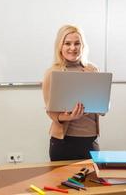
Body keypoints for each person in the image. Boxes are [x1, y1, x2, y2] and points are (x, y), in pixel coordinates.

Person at [42, 25, 102, 161]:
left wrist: (104, 105)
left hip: (90, 140)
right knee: (61, 182)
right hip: (64, 143)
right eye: (67, 43)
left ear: (83, 46)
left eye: (77, 43)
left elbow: (102, 103)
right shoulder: (52, 73)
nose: (73, 48)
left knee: (92, 182)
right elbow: (51, 112)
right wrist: (70, 117)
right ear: (60, 46)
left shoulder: (92, 69)